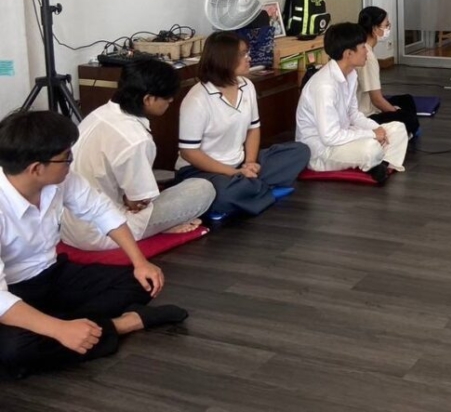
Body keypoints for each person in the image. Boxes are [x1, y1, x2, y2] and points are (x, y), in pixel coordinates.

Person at [0, 111, 188, 379]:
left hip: (51, 274)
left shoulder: (60, 180)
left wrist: (140, 262)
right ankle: (122, 324)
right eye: (66, 157)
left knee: (141, 282)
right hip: (10, 291)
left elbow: (100, 210)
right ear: (36, 169)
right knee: (14, 351)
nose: (71, 162)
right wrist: (58, 329)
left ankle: (62, 325)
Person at [60, 60, 215, 251]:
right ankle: (161, 227)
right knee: (203, 188)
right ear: (148, 99)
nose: (171, 101)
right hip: (107, 232)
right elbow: (138, 203)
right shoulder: (135, 139)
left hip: (69, 228)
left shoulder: (97, 115)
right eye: (167, 98)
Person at [176, 32, 309, 216]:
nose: (249, 58)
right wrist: (233, 173)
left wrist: (250, 163)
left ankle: (250, 190)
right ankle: (255, 189)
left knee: (300, 151)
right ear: (225, 59)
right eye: (243, 54)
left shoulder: (247, 86)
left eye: (247, 52)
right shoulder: (197, 99)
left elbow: (253, 129)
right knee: (222, 193)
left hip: (240, 163)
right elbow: (189, 153)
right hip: (202, 171)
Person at [295, 22, 408, 182]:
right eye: (362, 47)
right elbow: (330, 137)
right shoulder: (325, 86)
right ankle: (376, 161)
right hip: (322, 151)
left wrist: (377, 129)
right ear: (348, 53)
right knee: (371, 147)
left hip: (343, 135)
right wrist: (371, 134)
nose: (366, 51)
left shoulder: (351, 74)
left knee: (398, 129)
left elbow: (353, 115)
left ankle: (381, 164)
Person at [356, 7, 419, 138]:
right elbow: (377, 100)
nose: (388, 29)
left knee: (406, 99)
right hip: (366, 116)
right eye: (386, 25)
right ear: (374, 29)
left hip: (369, 106)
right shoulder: (367, 56)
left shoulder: (363, 48)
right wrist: (396, 112)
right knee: (410, 120)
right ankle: (404, 132)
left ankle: (405, 130)